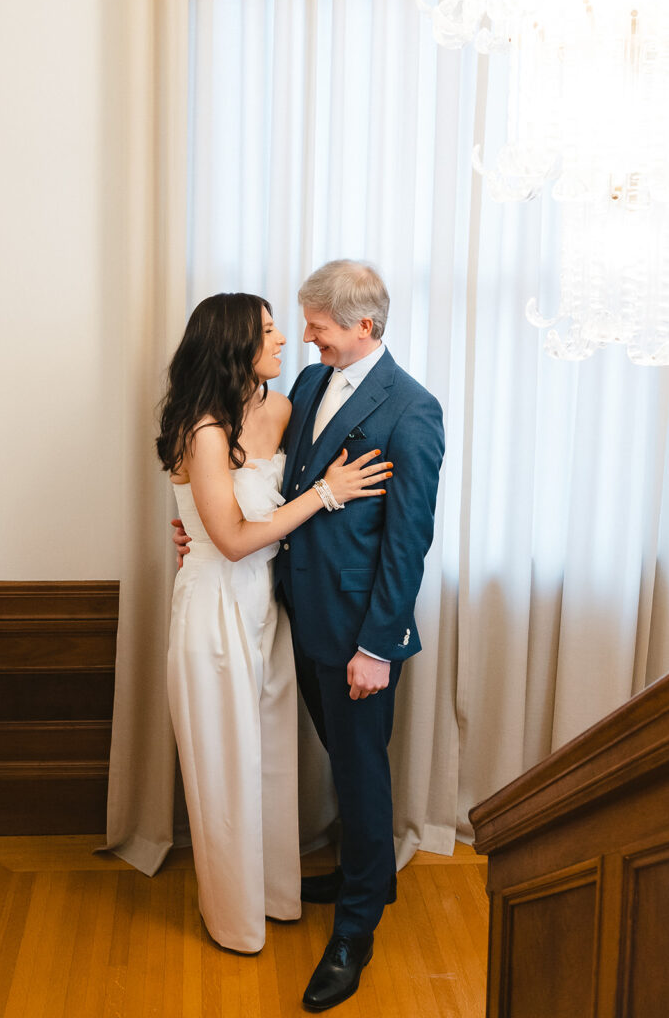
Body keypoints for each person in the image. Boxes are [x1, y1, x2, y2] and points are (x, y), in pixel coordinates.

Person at [176, 262, 445, 1010]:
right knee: (341, 763)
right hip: (288, 615)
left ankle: (356, 928)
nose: (304, 336)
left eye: (317, 324)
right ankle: (369, 874)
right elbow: (261, 487)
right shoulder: (305, 386)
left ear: (362, 325)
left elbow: (407, 542)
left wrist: (378, 647)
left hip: (359, 633)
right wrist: (199, 531)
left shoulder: (413, 411)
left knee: (360, 775)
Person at [157, 291, 393, 955]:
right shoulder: (202, 430)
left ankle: (273, 896)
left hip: (268, 609)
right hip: (214, 611)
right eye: (267, 331)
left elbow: (271, 514)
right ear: (236, 344)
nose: (284, 340)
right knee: (226, 763)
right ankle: (233, 919)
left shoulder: (283, 409)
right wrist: (325, 494)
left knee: (266, 760)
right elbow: (231, 539)